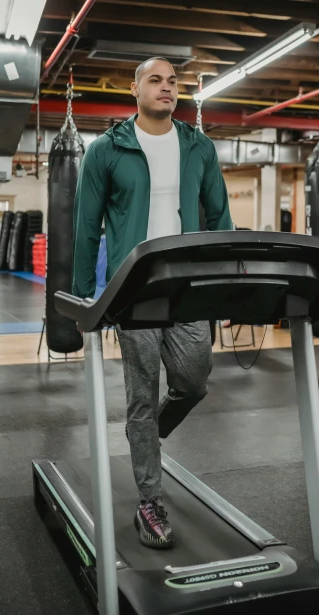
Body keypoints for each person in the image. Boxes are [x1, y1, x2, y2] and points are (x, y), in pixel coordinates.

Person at [73, 57, 232, 549]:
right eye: (156, 80)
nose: (167, 88)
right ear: (135, 88)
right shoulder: (107, 149)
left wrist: (224, 284)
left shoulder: (197, 146)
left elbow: (219, 215)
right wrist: (82, 298)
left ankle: (146, 436)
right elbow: (86, 224)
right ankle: (149, 499)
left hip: (187, 286)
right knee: (141, 397)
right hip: (134, 289)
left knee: (194, 381)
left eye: (173, 82)